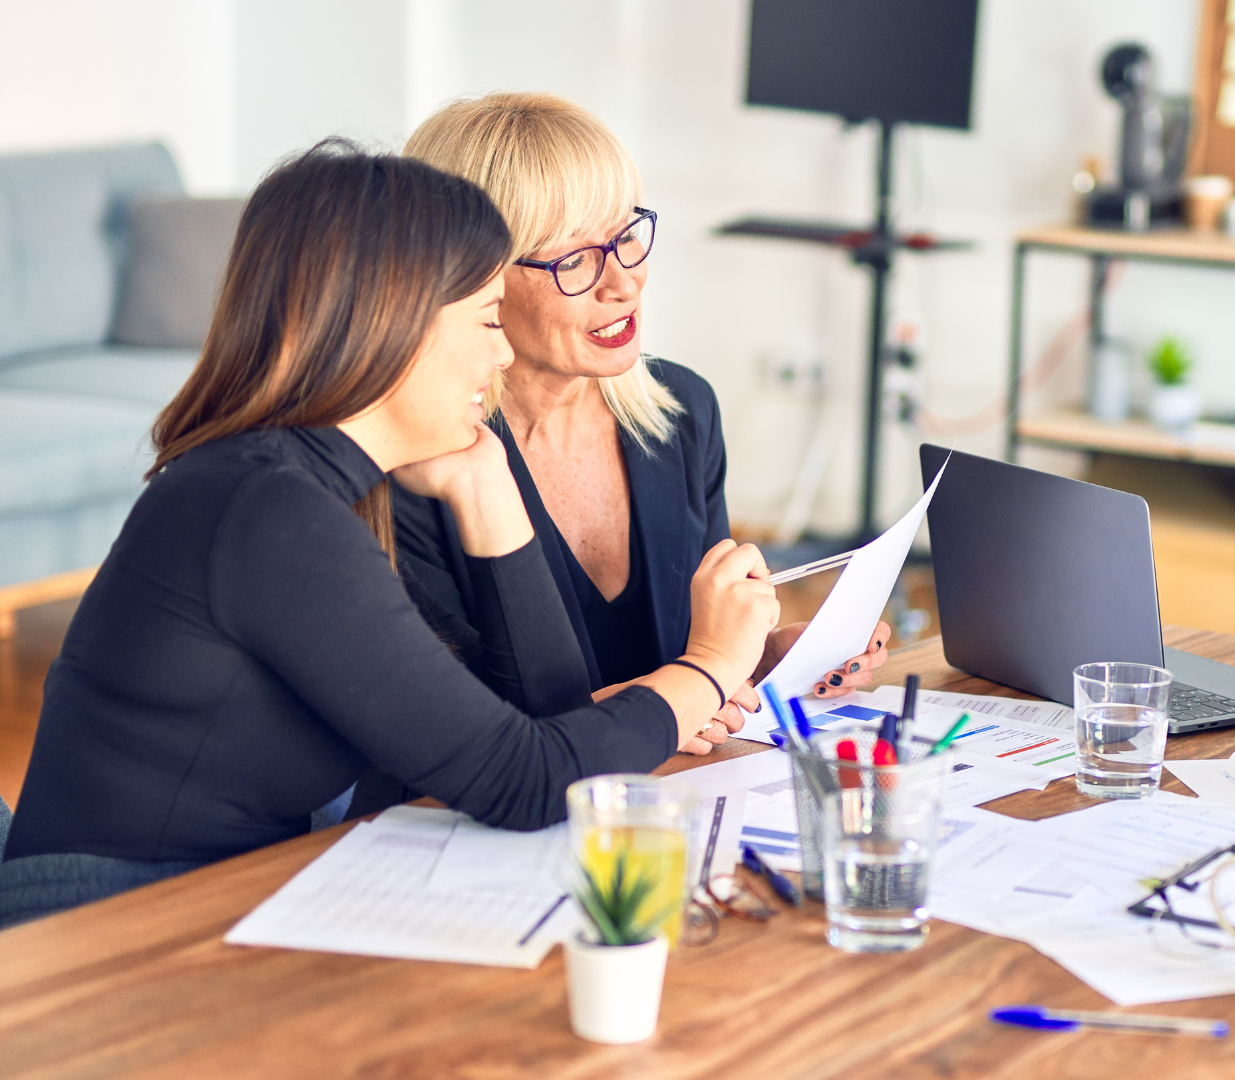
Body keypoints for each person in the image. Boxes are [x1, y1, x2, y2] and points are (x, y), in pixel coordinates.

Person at [0, 144, 780, 927]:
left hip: (237, 893)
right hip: (104, 926)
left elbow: (544, 722)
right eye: (484, 320)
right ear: (394, 326)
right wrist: (709, 667)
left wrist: (486, 487)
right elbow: (529, 781)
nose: (502, 351)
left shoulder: (306, 485)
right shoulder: (269, 511)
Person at [385, 92, 884, 776]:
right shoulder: (420, 467)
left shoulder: (682, 412)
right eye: (574, 261)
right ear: (475, 282)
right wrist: (667, 701)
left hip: (664, 795)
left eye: (625, 236)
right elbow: (467, 739)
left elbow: (690, 656)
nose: (624, 282)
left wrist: (763, 655)